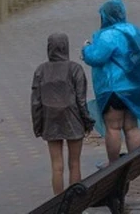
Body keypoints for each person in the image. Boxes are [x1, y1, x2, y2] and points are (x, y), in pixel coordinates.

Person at [82, 0, 140, 164]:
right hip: (135, 88)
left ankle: (114, 166)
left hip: (113, 90)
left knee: (113, 127)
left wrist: (86, 48)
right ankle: (136, 163)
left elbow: (96, 57)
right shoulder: (135, 31)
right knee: (131, 127)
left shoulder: (108, 35)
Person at [31, 33, 94, 194]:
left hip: (50, 120)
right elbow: (81, 100)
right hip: (73, 119)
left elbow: (36, 103)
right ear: (66, 47)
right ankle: (74, 204)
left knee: (56, 166)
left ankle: (58, 204)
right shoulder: (75, 69)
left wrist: (38, 126)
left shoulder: (41, 70)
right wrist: (87, 122)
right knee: (74, 163)